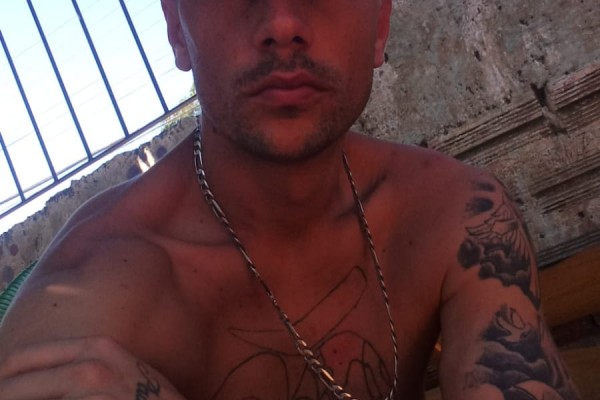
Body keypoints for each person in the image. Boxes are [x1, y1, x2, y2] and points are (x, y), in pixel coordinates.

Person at [0, 0, 581, 399]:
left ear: (379, 23)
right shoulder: (92, 304)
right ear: (177, 27)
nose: (281, 22)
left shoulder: (456, 218)